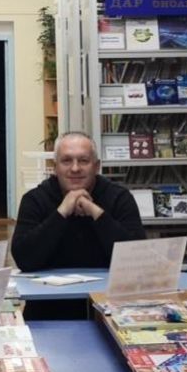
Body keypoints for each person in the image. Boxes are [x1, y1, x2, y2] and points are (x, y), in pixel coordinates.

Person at [10, 131, 146, 319]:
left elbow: (138, 259)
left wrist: (96, 213)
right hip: (47, 308)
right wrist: (61, 212)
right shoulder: (34, 200)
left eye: (83, 161)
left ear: (96, 166)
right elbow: (24, 259)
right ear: (55, 167)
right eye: (66, 161)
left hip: (112, 308)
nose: (75, 168)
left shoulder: (119, 198)